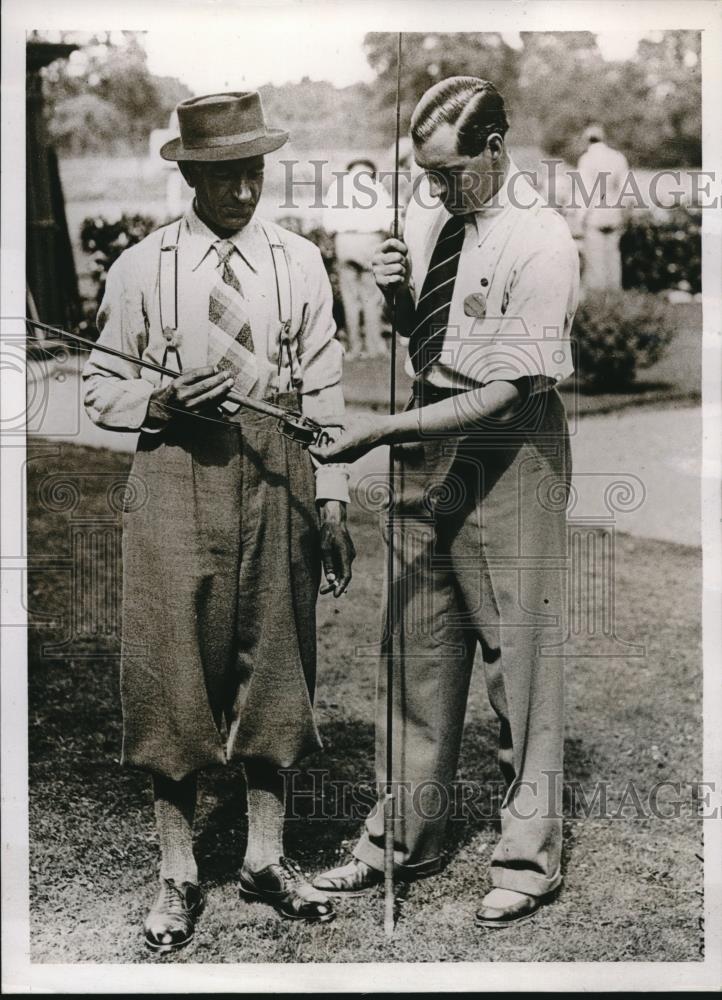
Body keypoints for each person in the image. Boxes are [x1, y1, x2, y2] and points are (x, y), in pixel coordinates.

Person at [82, 91, 356, 952]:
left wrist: (337, 497)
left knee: (276, 659)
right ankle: (177, 873)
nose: (245, 189)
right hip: (174, 470)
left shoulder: (299, 262)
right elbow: (98, 388)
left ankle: (265, 859)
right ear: (192, 173)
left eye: (256, 171)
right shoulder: (141, 268)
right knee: (172, 665)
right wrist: (158, 398)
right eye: (228, 174)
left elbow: (326, 382)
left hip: (280, 469)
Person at [311, 77, 579, 928]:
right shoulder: (441, 222)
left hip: (508, 453)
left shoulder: (543, 240)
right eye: (427, 175)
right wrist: (397, 296)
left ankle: (527, 860)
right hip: (432, 444)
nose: (437, 189)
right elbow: (437, 346)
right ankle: (401, 840)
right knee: (416, 647)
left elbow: (502, 389)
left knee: (517, 663)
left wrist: (383, 431)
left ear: (496, 149)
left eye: (450, 172)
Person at [322, 158, 394, 358]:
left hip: (345, 242)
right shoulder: (376, 187)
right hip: (371, 241)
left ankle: (354, 347)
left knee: (350, 298)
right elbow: (389, 220)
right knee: (372, 298)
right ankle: (374, 346)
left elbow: (328, 222)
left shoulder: (338, 187)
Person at [576, 124, 629, 291]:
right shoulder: (618, 157)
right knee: (613, 260)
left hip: (594, 216)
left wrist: (581, 218)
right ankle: (615, 300)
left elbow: (585, 192)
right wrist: (624, 214)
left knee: (595, 264)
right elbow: (625, 191)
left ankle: (598, 303)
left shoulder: (586, 159)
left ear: (587, 140)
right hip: (613, 215)